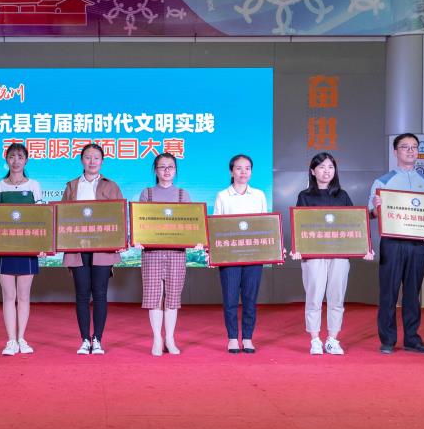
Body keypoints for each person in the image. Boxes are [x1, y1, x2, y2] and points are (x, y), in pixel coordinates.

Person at [292, 152, 374, 355]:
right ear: (313, 171)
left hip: (339, 255)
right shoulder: (305, 196)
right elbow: (299, 226)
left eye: (330, 167)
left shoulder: (342, 195)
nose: (326, 171)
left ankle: (332, 339)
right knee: (314, 298)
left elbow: (355, 224)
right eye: (321, 167)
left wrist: (365, 247)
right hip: (314, 256)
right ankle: (315, 340)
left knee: (336, 298)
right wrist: (298, 248)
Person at [368, 133, 424, 355]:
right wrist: (376, 207)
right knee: (388, 292)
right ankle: (388, 340)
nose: (410, 151)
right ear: (395, 151)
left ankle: (412, 339)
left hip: (419, 245)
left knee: (412, 293)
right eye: (405, 147)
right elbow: (370, 213)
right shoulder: (383, 181)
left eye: (414, 147)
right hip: (393, 243)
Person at [60, 143, 124, 355]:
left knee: (100, 294)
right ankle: (84, 339)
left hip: (103, 248)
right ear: (82, 160)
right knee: (81, 295)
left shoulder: (111, 186)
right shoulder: (72, 186)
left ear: (102, 161)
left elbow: (119, 216)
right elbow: (62, 216)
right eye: (88, 157)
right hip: (77, 248)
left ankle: (97, 339)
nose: (92, 161)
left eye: (96, 157)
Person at [137, 153, 198, 356]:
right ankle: (157, 338)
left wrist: (196, 239)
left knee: (172, 297)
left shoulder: (182, 194)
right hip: (152, 252)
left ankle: (170, 338)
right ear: (155, 170)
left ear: (175, 170)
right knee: (154, 296)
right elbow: (140, 222)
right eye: (162, 167)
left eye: (170, 167)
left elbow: (191, 223)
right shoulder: (147, 194)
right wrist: (138, 238)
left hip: (176, 253)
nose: (166, 170)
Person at [0, 143, 43, 356]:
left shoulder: (34, 185)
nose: (16, 160)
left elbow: (40, 219)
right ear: (7, 159)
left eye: (20, 156)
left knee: (24, 295)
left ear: (26, 160)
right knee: (9, 296)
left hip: (27, 247)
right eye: (12, 156)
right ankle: (11, 340)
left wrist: (42, 245)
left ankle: (22, 338)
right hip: (4, 248)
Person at [212, 154, 268, 354]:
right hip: (230, 256)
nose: (243, 172)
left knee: (250, 299)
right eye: (238, 168)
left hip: (254, 255)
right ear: (231, 171)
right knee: (230, 299)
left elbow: (265, 226)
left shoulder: (259, 195)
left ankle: (248, 338)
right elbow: (216, 226)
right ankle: (233, 338)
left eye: (247, 168)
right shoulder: (222, 196)